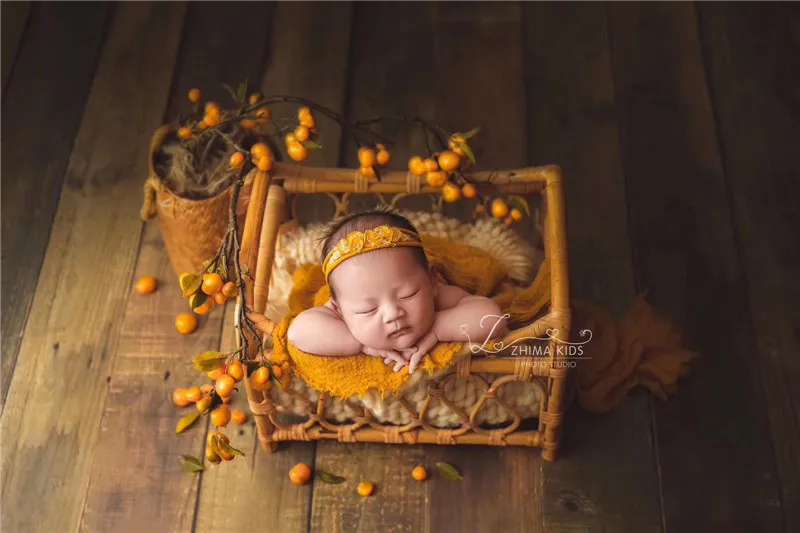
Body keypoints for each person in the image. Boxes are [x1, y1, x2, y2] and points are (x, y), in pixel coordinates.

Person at [286, 206, 507, 374]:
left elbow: (492, 318)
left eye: (407, 294)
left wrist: (438, 328)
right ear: (339, 310)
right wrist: (359, 343)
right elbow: (298, 332)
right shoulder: (341, 309)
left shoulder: (439, 296)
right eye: (368, 309)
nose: (392, 314)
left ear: (431, 281)